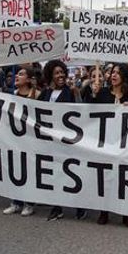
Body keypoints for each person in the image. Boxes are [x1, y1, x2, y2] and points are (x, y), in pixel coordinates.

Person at [95, 64, 128, 228]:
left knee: (124, 177)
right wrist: (92, 93)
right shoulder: (103, 93)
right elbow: (90, 113)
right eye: (112, 72)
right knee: (106, 177)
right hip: (106, 141)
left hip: (124, 143)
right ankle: (104, 211)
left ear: (124, 77)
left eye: (118, 73)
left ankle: (126, 214)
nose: (114, 75)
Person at [40, 60, 84, 221]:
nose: (61, 75)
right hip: (51, 141)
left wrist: (77, 93)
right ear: (50, 75)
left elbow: (82, 111)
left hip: (68, 140)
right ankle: (56, 207)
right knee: (54, 174)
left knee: (71, 174)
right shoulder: (46, 93)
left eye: (62, 72)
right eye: (57, 73)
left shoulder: (71, 91)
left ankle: (80, 206)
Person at [1, 67, 40, 216]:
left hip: (31, 139)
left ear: (29, 79)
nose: (17, 76)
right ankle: (15, 201)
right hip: (14, 138)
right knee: (15, 168)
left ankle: (29, 202)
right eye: (17, 74)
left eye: (21, 74)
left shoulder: (37, 95)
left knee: (29, 170)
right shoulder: (11, 95)